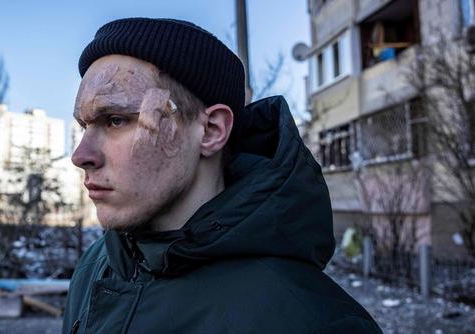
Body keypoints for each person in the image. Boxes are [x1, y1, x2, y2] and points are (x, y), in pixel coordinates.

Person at [63, 17, 382, 334]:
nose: (81, 155)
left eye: (115, 120)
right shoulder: (97, 265)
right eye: (84, 126)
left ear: (211, 130)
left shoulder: (315, 322)